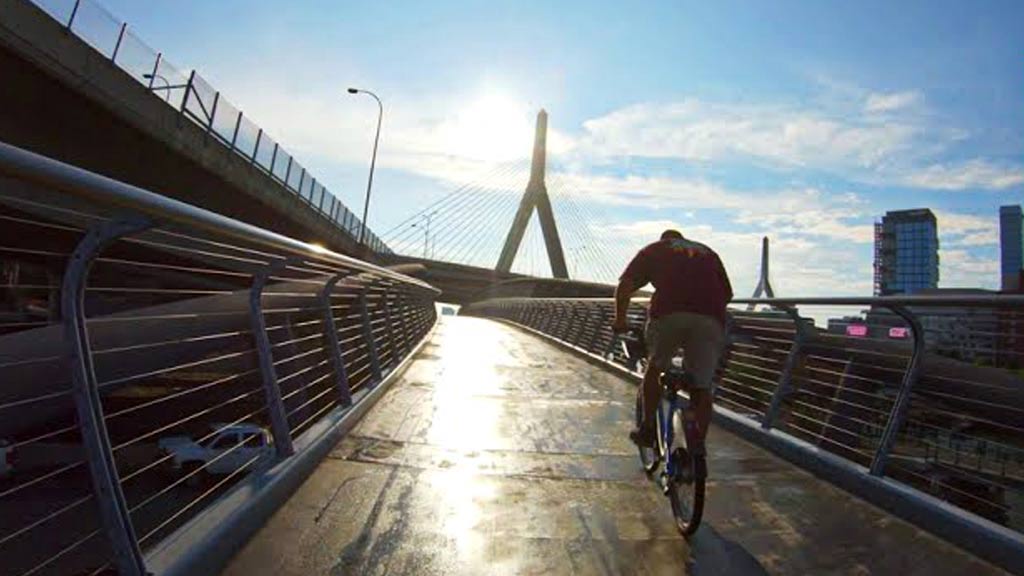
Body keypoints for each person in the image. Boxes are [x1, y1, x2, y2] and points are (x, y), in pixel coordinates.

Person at [612, 229, 732, 447]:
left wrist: (620, 320)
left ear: (664, 239)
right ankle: (697, 449)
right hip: (710, 317)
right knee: (702, 386)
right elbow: (727, 294)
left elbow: (625, 286)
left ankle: (648, 429)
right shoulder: (708, 253)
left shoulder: (653, 249)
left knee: (655, 368)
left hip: (668, 313)